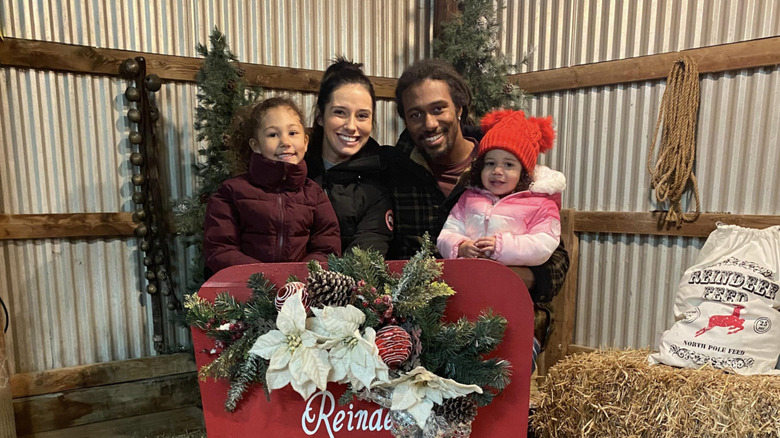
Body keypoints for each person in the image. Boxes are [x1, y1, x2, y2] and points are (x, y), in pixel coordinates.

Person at [386, 58, 569, 303]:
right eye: (416, 114)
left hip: (497, 306)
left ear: (459, 109)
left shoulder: (506, 167)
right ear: (406, 121)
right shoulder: (396, 171)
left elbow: (556, 259)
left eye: (439, 109)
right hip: (419, 312)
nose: (429, 124)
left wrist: (513, 276)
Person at [203, 97, 341, 274]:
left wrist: (298, 276)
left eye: (292, 133)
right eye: (273, 135)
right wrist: (263, 277)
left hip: (299, 293)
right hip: (246, 293)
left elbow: (327, 248)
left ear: (305, 142)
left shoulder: (315, 195)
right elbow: (220, 249)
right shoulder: (231, 193)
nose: (285, 142)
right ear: (256, 145)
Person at [437, 108, 565, 270]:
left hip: (509, 285)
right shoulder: (469, 198)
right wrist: (460, 246)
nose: (497, 171)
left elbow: (544, 243)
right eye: (490, 163)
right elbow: (447, 233)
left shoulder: (541, 204)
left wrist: (502, 247)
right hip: (469, 279)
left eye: (508, 165)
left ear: (524, 171)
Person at [306, 57, 394, 256]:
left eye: (362, 116)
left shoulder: (379, 179)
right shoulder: (295, 167)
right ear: (321, 116)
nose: (351, 126)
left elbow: (366, 257)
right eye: (340, 113)